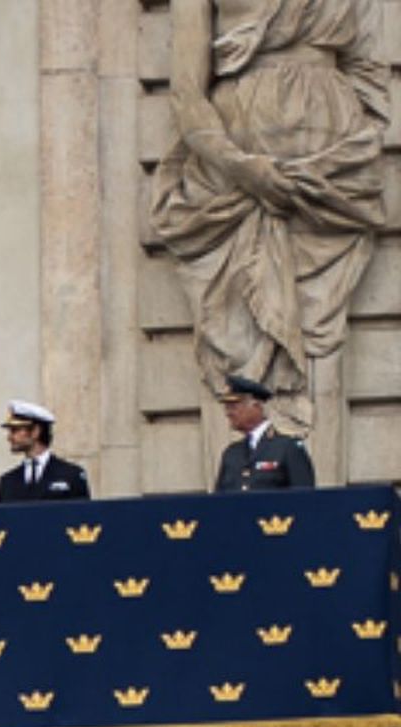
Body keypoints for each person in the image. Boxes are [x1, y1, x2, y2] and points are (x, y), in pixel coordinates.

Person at [151, 0, 387, 435]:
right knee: (238, 337)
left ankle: (316, 487)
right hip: (233, 179)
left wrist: (354, 148)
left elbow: (370, 74)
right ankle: (243, 481)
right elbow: (186, 90)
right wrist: (242, 167)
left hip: (334, 175)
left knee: (320, 332)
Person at [214, 374, 315, 491]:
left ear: (256, 406)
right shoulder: (231, 453)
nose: (228, 413)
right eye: (227, 407)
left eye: (233, 406)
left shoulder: (288, 448)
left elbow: (304, 499)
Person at [0, 401, 91, 504]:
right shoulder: (7, 482)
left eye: (15, 430)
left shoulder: (71, 475)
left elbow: (83, 516)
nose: (9, 437)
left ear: (36, 431)